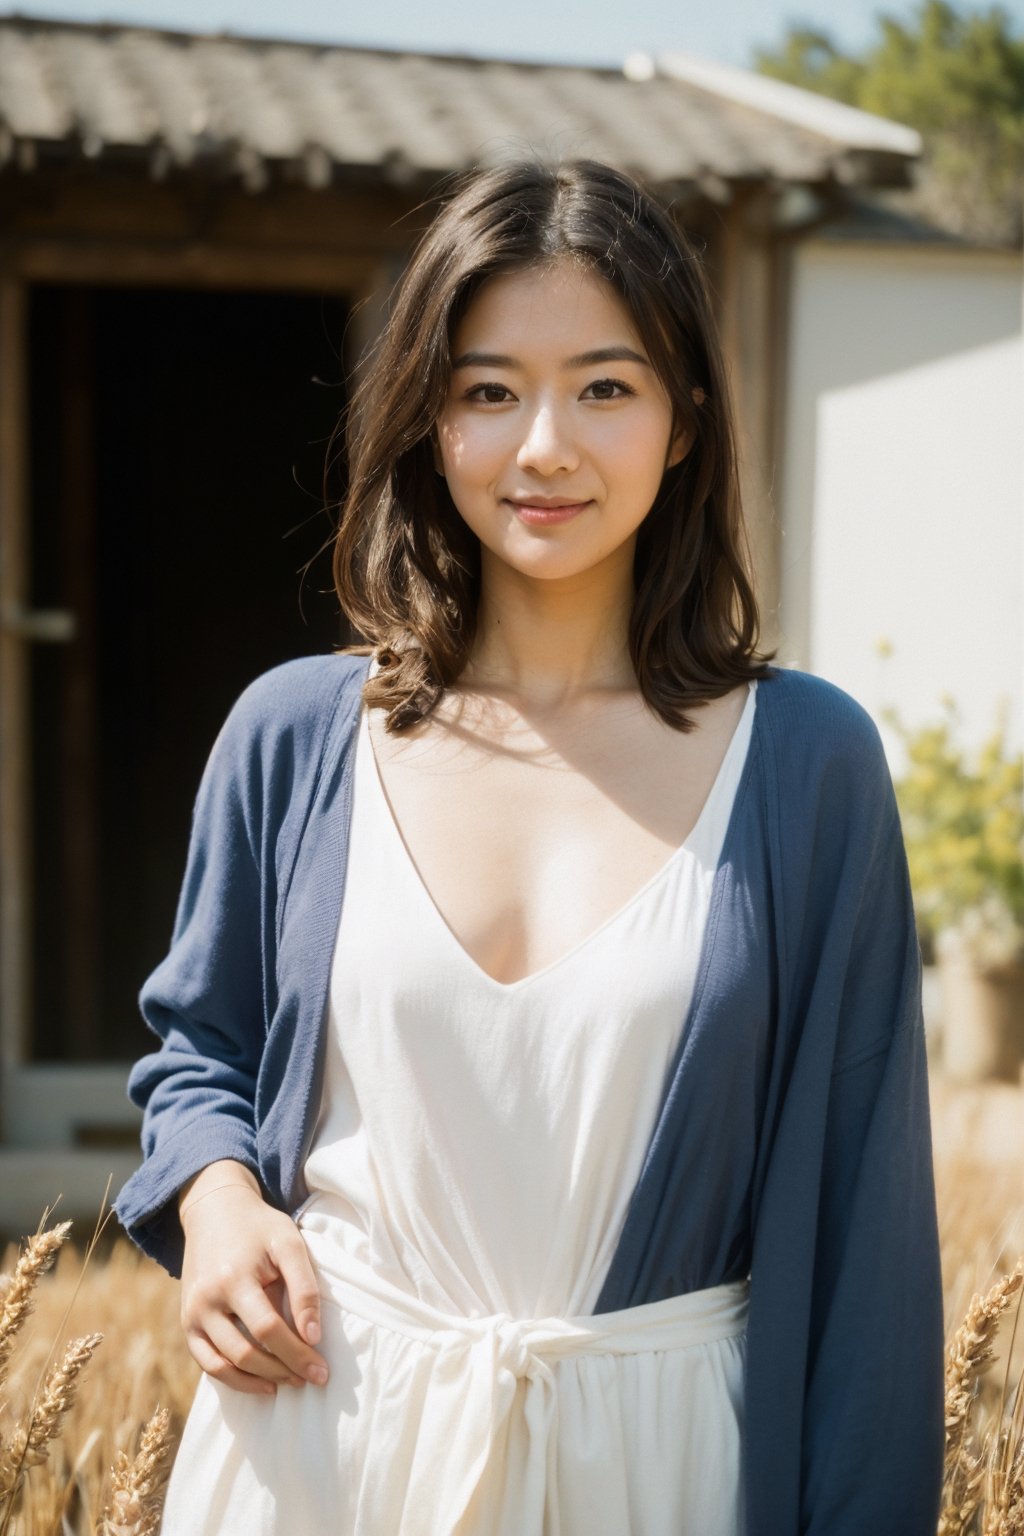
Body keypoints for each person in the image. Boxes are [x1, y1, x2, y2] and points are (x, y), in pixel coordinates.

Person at [114, 158, 945, 1535]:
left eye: (605, 386)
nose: (543, 444)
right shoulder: (296, 736)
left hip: (658, 1467)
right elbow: (199, 1048)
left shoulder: (807, 767)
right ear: (429, 420)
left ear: (683, 421)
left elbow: (871, 1240)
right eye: (489, 389)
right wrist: (212, 1204)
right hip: (319, 1451)